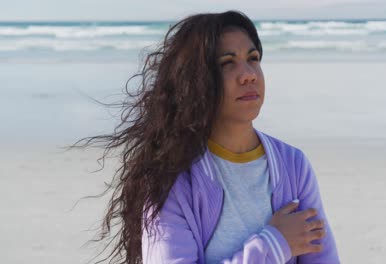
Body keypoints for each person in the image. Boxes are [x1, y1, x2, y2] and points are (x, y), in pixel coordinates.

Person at [78, 11, 340, 264]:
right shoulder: (173, 179)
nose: (248, 74)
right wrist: (274, 244)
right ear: (196, 80)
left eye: (253, 58)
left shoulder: (292, 165)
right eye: (228, 63)